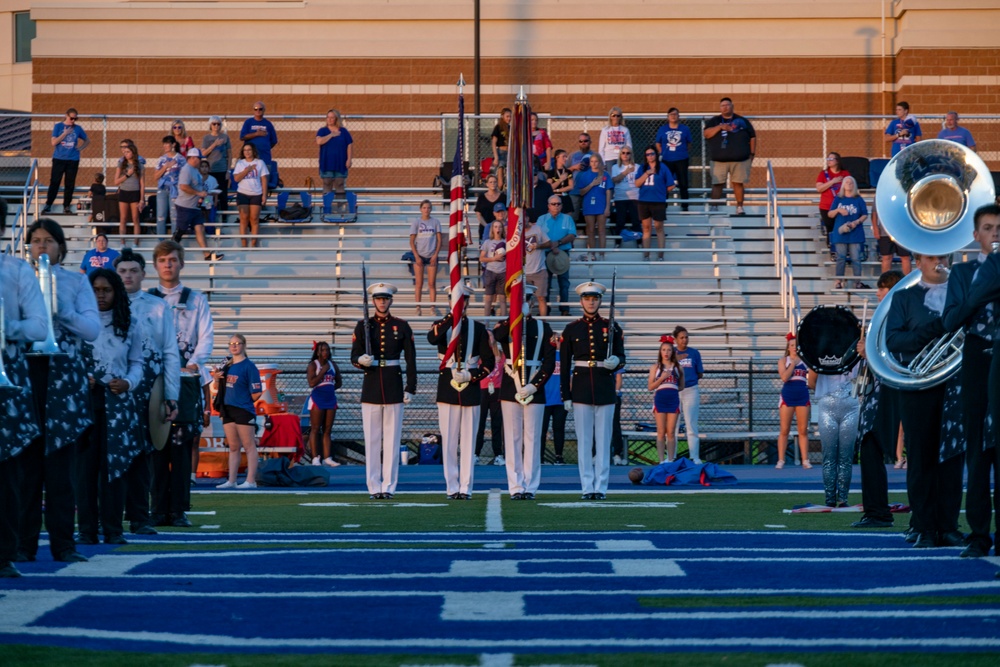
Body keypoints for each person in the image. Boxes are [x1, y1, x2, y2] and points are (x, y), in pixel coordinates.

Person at [18, 218, 100, 564]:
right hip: (27, 377)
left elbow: (93, 329)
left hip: (64, 379)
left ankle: (64, 544)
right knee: (25, 470)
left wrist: (59, 309)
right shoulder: (16, 281)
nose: (42, 247)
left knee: (61, 471)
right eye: (35, 241)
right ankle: (21, 545)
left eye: (49, 241)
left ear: (61, 247)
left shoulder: (75, 283)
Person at [887, 252, 965, 549]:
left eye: (943, 256)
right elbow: (893, 340)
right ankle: (924, 527)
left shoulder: (962, 296)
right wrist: (933, 330)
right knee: (920, 459)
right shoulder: (904, 298)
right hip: (917, 386)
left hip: (955, 386)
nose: (938, 261)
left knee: (952, 460)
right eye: (931, 257)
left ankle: (948, 527)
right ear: (917, 262)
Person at [941, 204, 999, 557]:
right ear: (976, 235)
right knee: (977, 451)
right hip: (976, 360)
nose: (995, 233)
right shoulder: (962, 274)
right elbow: (950, 321)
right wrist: (982, 290)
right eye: (989, 228)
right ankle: (979, 535)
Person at [149, 240, 214, 528]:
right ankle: (157, 508)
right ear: (155, 265)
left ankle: (179, 510)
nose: (168, 265)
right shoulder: (147, 298)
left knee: (181, 448)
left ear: (181, 263)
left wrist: (194, 363)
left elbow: (206, 337)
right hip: (154, 382)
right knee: (156, 447)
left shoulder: (196, 298)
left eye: (173, 260)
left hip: (186, 381)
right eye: (163, 260)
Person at [114, 248, 179, 536]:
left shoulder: (157, 306)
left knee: (142, 454)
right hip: (115, 386)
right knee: (113, 453)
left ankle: (140, 517)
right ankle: (109, 518)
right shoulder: (104, 306)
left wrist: (170, 394)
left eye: (133, 271)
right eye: (122, 271)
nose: (127, 276)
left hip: (148, 387)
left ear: (143, 273)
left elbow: (170, 352)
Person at [77, 268, 143, 545]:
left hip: (118, 403)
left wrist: (128, 383)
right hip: (86, 403)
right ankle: (87, 530)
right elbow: (69, 360)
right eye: (95, 290)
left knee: (115, 469)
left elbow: (137, 364)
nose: (101, 295)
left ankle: (114, 529)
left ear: (116, 291)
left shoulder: (130, 323)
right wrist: (82, 378)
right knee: (85, 470)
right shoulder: (78, 323)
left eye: (106, 290)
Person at [0, 215, 47, 578]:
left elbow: (39, 326)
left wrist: (7, 326)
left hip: (8, 378)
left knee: (8, 472)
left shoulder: (16, 271)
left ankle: (4, 553)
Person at [427, 284, 495, 499]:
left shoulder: (478, 328)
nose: (460, 303)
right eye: (456, 299)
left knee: (468, 440)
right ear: (449, 301)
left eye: (464, 300)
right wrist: (450, 318)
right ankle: (451, 486)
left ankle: (466, 487)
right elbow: (432, 338)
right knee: (448, 440)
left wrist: (472, 376)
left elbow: (490, 362)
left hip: (470, 389)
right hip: (447, 387)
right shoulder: (442, 325)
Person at [351, 282, 417, 499]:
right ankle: (373, 486)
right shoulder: (363, 326)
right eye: (378, 299)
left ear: (391, 300)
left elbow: (410, 360)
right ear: (373, 301)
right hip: (371, 387)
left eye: (385, 298)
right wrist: (361, 361)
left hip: (393, 385)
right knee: (371, 440)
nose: (382, 302)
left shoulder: (402, 326)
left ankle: (388, 486)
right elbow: (354, 356)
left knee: (391, 440)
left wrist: (410, 387)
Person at [561, 282, 626, 499]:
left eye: (595, 298)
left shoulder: (613, 327)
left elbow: (621, 356)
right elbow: (565, 367)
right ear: (581, 301)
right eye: (587, 298)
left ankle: (601, 486)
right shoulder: (571, 329)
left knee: (603, 439)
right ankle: (587, 486)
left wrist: (616, 361)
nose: (591, 302)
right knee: (585, 441)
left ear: (600, 301)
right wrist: (566, 395)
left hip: (604, 387)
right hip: (580, 389)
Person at [493, 284, 556, 499]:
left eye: (526, 299)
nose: (523, 303)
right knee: (512, 438)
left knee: (532, 438)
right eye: (519, 299)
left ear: (530, 301)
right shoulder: (506, 325)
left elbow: (548, 363)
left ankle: (530, 485)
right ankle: (515, 485)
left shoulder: (543, 328)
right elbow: (498, 335)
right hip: (511, 386)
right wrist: (514, 319)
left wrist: (534, 385)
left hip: (534, 386)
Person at [852, 270, 904, 529]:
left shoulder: (894, 318)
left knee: (872, 447)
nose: (877, 293)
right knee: (869, 449)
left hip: (886, 392)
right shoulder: (886, 318)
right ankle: (875, 510)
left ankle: (878, 512)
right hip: (877, 391)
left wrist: (867, 352)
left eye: (882, 288)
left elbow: (892, 357)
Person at [807, 362, 860, 508]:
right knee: (830, 456)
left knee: (845, 456)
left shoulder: (855, 355)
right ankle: (831, 498)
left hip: (848, 405)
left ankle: (842, 498)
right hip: (831, 406)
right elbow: (811, 381)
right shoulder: (821, 356)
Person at [214, 335, 262, 490]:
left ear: (244, 345)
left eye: (237, 343)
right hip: (227, 408)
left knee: (249, 446)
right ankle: (232, 480)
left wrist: (243, 400)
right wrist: (216, 378)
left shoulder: (249, 366)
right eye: (231, 343)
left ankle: (250, 481)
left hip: (243, 409)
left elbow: (256, 392)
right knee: (233, 446)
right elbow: (217, 386)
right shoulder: (226, 365)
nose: (234, 346)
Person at [704, 97, 756, 215]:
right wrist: (719, 127)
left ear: (732, 106)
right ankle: (714, 207)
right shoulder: (714, 121)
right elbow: (706, 134)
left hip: (740, 160)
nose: (725, 107)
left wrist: (752, 154)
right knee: (717, 183)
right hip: (719, 160)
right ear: (720, 108)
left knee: (738, 183)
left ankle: (739, 207)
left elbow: (752, 137)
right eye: (723, 105)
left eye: (727, 105)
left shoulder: (742, 120)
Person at [172, 148, 218, 261]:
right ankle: (168, 252)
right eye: (199, 158)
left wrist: (204, 193)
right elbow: (183, 186)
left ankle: (207, 254)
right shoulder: (187, 170)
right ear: (192, 158)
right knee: (180, 231)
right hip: (185, 206)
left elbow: (197, 186)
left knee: (200, 228)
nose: (200, 161)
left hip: (194, 206)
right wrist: (198, 192)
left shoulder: (194, 170)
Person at [44, 108, 90, 215]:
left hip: (73, 159)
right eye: (71, 118)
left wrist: (81, 148)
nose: (73, 121)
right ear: (66, 116)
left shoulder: (78, 128)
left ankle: (66, 205)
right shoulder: (58, 126)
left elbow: (87, 140)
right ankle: (49, 204)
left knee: (69, 183)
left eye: (75, 119)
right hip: (59, 158)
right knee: (55, 181)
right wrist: (64, 134)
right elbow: (54, 142)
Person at [776, 333, 811, 470]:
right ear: (788, 347)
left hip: (802, 394)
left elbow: (812, 377)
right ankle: (781, 460)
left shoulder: (806, 360)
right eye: (791, 345)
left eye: (796, 345)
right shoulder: (783, 361)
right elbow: (784, 377)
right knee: (784, 429)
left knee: (803, 430)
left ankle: (805, 460)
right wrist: (793, 364)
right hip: (788, 395)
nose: (794, 348)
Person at [537, 196, 576, 316]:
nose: (556, 206)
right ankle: (546, 310)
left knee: (564, 283)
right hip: (545, 254)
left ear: (562, 205)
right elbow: (537, 236)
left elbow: (572, 235)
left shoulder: (567, 218)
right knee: (545, 283)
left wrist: (557, 243)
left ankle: (564, 310)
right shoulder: (541, 219)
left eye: (558, 204)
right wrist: (552, 245)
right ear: (548, 206)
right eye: (553, 204)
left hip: (562, 253)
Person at [306, 341, 342, 467]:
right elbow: (311, 383)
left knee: (327, 429)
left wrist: (330, 388)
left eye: (327, 350)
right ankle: (315, 458)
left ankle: (327, 457)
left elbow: (339, 382)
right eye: (323, 350)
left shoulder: (333, 365)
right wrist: (322, 372)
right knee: (315, 428)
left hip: (330, 399)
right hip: (318, 399)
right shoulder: (313, 365)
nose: (326, 352)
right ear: (317, 352)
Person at [649, 335, 685, 464]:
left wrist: (672, 388)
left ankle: (670, 460)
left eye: (669, 350)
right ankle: (661, 461)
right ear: (660, 351)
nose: (666, 353)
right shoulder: (655, 367)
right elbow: (650, 386)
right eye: (663, 350)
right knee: (661, 431)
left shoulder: (678, 367)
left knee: (671, 432)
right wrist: (662, 378)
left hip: (673, 400)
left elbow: (681, 385)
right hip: (660, 400)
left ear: (673, 352)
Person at [635, 146, 675, 261]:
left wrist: (661, 192)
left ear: (656, 155)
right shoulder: (642, 168)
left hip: (658, 202)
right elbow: (637, 183)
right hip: (644, 201)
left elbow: (671, 184)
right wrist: (647, 173)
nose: (650, 156)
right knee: (646, 228)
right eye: (647, 154)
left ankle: (661, 255)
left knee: (659, 228)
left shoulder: (662, 167)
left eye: (652, 154)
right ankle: (646, 255)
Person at [829, 176, 869, 290]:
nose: (849, 184)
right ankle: (838, 281)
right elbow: (830, 214)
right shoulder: (838, 199)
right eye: (847, 182)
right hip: (841, 233)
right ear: (843, 185)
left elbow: (865, 214)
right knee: (840, 258)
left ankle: (858, 282)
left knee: (856, 258)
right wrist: (838, 210)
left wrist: (856, 222)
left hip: (855, 233)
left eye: (851, 183)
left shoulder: (858, 199)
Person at [672, 325, 704, 463]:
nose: (684, 340)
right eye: (681, 338)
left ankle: (694, 456)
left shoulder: (694, 353)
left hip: (691, 389)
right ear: (676, 339)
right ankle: (671, 457)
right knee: (673, 425)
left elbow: (700, 373)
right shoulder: (671, 352)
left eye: (686, 337)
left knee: (691, 424)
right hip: (674, 391)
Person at [233, 142, 269, 249]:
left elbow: (264, 179)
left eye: (249, 150)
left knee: (254, 219)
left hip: (256, 193)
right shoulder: (240, 163)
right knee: (244, 218)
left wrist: (264, 195)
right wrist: (248, 170)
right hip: (243, 193)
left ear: (253, 151)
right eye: (245, 150)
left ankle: (254, 243)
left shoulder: (260, 163)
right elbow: (236, 178)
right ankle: (244, 244)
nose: (247, 152)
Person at [475, 334, 505, 465]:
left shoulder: (502, 355)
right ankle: (475, 453)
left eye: (491, 336)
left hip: (497, 390)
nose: (489, 339)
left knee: (497, 423)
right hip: (482, 390)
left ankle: (498, 453)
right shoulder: (479, 354)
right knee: (479, 423)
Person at [409, 199, 443, 314]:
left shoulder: (435, 222)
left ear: (431, 209)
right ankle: (418, 307)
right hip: (419, 254)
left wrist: (435, 255)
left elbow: (439, 240)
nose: (426, 210)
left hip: (431, 255)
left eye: (428, 208)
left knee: (431, 283)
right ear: (420, 209)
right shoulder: (416, 222)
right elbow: (412, 241)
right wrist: (416, 256)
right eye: (424, 208)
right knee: (419, 283)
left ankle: (432, 307)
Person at [655, 108, 692, 211]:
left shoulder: (685, 129)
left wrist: (681, 152)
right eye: (671, 114)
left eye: (675, 114)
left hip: (681, 159)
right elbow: (658, 143)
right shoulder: (663, 129)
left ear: (679, 116)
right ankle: (664, 205)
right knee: (665, 182)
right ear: (668, 117)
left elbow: (689, 144)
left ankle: (685, 205)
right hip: (667, 159)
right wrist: (662, 153)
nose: (673, 116)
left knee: (683, 182)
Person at [316, 109, 353, 212]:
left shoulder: (343, 131)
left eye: (332, 117)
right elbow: (319, 141)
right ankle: (327, 208)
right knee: (327, 183)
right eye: (328, 117)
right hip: (327, 163)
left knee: (340, 184)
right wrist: (331, 135)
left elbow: (349, 145)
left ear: (336, 118)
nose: (330, 119)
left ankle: (340, 208)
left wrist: (349, 159)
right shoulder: (322, 131)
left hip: (340, 163)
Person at [578, 154, 611, 261]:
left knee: (601, 230)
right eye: (592, 161)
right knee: (590, 230)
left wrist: (607, 207)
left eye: (596, 161)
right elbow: (581, 192)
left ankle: (602, 254)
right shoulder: (585, 175)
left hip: (601, 205)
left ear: (600, 162)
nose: (594, 163)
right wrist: (592, 184)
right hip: (589, 205)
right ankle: (591, 253)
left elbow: (608, 192)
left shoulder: (605, 175)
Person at [541, 333, 567, 464]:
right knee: (542, 429)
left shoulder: (565, 356)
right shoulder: (546, 356)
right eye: (555, 339)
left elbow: (570, 377)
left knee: (559, 429)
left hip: (560, 399)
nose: (557, 342)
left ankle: (559, 456)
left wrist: (569, 396)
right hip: (545, 399)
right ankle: (539, 456)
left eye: (559, 339)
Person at [870, 198, 912, 276]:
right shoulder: (880, 193)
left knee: (905, 257)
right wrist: (875, 228)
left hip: (901, 232)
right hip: (884, 231)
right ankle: (885, 283)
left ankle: (906, 284)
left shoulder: (902, 192)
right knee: (886, 257)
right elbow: (874, 212)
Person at [816, 152, 847, 256]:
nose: (829, 161)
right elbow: (819, 188)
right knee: (831, 227)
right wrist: (832, 181)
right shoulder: (824, 174)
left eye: (831, 159)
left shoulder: (845, 173)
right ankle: (833, 249)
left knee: (842, 227)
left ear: (837, 161)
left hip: (842, 205)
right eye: (828, 159)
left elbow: (851, 186)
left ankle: (843, 248)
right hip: (827, 206)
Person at [154, 136, 185, 237]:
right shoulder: (161, 159)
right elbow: (156, 176)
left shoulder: (180, 159)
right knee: (161, 216)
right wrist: (165, 167)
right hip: (163, 189)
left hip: (175, 190)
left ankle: (174, 241)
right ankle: (161, 242)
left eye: (167, 144)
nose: (165, 146)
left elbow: (185, 175)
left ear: (173, 144)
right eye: (164, 144)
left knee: (174, 216)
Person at [115, 142, 145, 241]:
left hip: (135, 193)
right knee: (123, 219)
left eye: (128, 152)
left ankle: (136, 242)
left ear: (133, 152)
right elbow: (116, 181)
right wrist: (127, 174)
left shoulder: (140, 165)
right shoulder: (121, 164)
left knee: (135, 218)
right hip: (124, 192)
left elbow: (142, 184)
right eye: (125, 152)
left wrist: (141, 199)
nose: (126, 154)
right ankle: (122, 242)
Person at [610, 146, 639, 247]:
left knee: (636, 220)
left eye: (628, 153)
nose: (625, 155)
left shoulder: (637, 167)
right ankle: (618, 242)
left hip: (634, 197)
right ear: (620, 155)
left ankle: (639, 242)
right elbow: (615, 180)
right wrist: (626, 172)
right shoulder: (615, 167)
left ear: (631, 155)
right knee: (620, 221)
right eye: (623, 153)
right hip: (620, 197)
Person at [201, 116, 231, 212]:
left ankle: (224, 217)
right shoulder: (206, 138)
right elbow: (203, 154)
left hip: (222, 170)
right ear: (210, 125)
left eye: (218, 124)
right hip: (210, 170)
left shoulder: (225, 137)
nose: (216, 126)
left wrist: (228, 170)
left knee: (223, 195)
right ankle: (208, 214)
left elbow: (230, 155)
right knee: (208, 195)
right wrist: (214, 144)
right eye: (214, 124)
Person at [523, 216, 552, 315]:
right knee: (524, 299)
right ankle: (526, 321)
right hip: (523, 271)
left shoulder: (538, 229)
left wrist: (539, 246)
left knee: (541, 297)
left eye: (525, 217)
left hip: (539, 270)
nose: (524, 220)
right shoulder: (516, 232)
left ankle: (543, 323)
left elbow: (549, 243)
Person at [479, 218, 507, 317]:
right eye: (495, 227)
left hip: (503, 272)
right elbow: (481, 258)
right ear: (492, 229)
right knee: (488, 299)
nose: (498, 229)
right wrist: (494, 258)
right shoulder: (487, 242)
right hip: (490, 272)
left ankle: (503, 322)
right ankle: (486, 323)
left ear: (502, 229)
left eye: (499, 227)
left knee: (503, 298)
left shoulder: (507, 242)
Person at [240, 101, 278, 172]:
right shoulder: (248, 122)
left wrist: (265, 147)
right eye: (256, 109)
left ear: (264, 110)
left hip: (265, 158)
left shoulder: (268, 124)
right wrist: (256, 134)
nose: (258, 111)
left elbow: (274, 141)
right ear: (253, 110)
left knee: (265, 180)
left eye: (260, 109)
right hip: (251, 159)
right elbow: (242, 137)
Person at [568, 133, 594, 224]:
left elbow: (601, 171)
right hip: (575, 190)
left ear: (590, 142)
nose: (583, 143)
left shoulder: (595, 155)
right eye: (581, 141)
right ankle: (572, 237)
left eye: (586, 141)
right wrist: (574, 167)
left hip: (590, 189)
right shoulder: (572, 155)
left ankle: (589, 237)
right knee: (572, 218)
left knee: (589, 217)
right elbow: (565, 170)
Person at [474, 175, 504, 242]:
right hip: (485, 229)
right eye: (491, 182)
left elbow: (506, 213)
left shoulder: (503, 197)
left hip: (500, 230)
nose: (493, 183)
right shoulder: (481, 197)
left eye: (495, 182)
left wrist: (498, 226)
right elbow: (478, 214)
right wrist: (487, 226)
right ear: (487, 184)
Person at [546, 150, 574, 214]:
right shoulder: (551, 172)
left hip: (566, 198)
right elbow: (549, 187)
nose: (565, 159)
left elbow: (571, 186)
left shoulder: (568, 171)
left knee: (567, 220)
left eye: (566, 157)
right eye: (563, 156)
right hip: (555, 199)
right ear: (557, 157)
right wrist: (560, 180)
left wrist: (557, 190)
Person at [491, 108, 511, 191]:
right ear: (502, 116)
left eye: (510, 117)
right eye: (507, 116)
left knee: (510, 176)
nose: (509, 118)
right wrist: (496, 157)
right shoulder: (498, 127)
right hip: (501, 152)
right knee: (500, 177)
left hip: (509, 152)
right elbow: (493, 142)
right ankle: (499, 189)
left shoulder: (511, 128)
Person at [199, 160, 220, 224]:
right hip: (198, 202)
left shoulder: (212, 179)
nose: (204, 168)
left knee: (209, 219)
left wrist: (215, 202)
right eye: (202, 167)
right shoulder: (197, 178)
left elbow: (215, 192)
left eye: (206, 167)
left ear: (208, 168)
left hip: (208, 201)